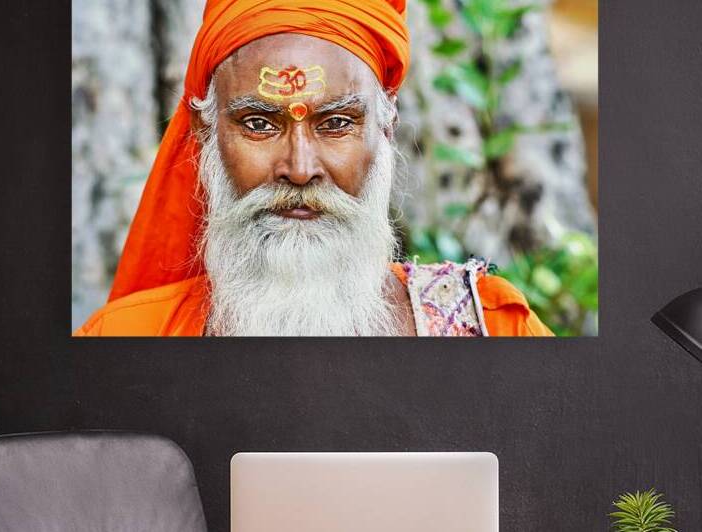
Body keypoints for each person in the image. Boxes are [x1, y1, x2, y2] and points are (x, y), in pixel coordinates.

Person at [75, 0, 553, 337]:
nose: (300, 169)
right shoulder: (123, 336)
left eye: (337, 123)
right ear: (205, 136)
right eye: (259, 123)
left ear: (386, 128)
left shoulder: (496, 328)